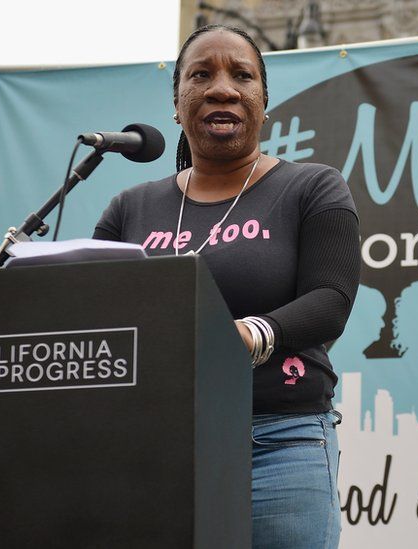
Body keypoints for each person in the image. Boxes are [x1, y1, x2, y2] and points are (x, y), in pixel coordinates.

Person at [93, 24, 360, 549]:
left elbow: (331, 300)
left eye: (242, 75)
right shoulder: (130, 208)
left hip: (279, 440)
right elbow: (98, 310)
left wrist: (241, 338)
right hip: (155, 448)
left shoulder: (312, 187)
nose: (222, 88)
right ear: (177, 104)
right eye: (201, 74)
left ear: (264, 102)